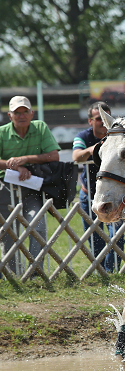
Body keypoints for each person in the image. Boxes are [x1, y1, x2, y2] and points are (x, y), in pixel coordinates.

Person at [0, 96, 60, 269]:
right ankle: (12, 273)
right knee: (8, 230)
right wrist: (17, 167)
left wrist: (23, 159)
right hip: (5, 187)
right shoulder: (1, 132)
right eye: (17, 112)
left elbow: (53, 156)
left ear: (32, 113)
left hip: (32, 188)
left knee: (37, 225)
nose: (21, 115)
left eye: (25, 111)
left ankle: (35, 271)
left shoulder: (40, 127)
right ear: (10, 115)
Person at [73, 102, 123, 272]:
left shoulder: (116, 135)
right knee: (95, 239)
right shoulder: (83, 136)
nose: (102, 121)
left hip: (112, 196)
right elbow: (76, 157)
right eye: (98, 118)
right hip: (89, 195)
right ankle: (101, 272)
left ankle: (112, 272)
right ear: (90, 121)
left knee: (118, 235)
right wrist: (94, 149)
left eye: (105, 117)